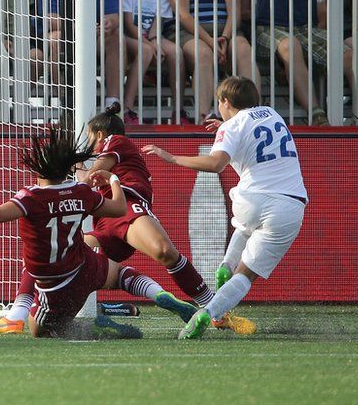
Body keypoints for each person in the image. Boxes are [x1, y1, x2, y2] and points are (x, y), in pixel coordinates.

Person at [0, 128, 197, 339]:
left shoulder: (31, 197)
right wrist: (113, 180)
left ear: (38, 166)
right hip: (85, 264)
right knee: (122, 275)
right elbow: (117, 208)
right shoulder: (82, 192)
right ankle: (160, 295)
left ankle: (96, 329)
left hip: (56, 283)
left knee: (39, 330)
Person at [144, 76, 306, 339]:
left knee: (244, 228)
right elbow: (252, 135)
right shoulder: (273, 115)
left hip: (249, 200)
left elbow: (216, 164)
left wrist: (172, 158)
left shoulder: (231, 127)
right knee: (247, 274)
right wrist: (226, 127)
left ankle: (223, 270)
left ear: (225, 102)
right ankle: (210, 311)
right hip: (288, 205)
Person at [79, 104, 255, 334]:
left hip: (125, 206)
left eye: (90, 137)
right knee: (81, 266)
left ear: (100, 134)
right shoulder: (116, 155)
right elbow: (91, 181)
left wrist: (78, 166)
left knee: (163, 253)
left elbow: (90, 179)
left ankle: (213, 308)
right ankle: (100, 310)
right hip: (108, 217)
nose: (89, 144)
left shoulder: (115, 140)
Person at [168, 0, 258, 123]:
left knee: (243, 49)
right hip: (190, 31)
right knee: (203, 54)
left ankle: (253, 114)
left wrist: (224, 38)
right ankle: (204, 117)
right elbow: (183, 15)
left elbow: (234, 12)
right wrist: (212, 42)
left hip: (223, 29)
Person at [120, 0, 182, 125]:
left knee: (176, 53)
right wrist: (151, 45)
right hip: (129, 37)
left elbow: (158, 20)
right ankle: (127, 109)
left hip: (151, 36)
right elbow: (129, 24)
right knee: (146, 51)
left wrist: (154, 40)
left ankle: (178, 111)